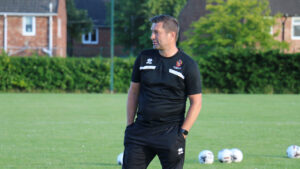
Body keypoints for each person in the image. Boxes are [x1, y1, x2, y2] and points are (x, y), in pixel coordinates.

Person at [123, 14, 202, 169]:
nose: (151, 36)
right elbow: (133, 92)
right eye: (152, 31)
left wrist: (183, 133)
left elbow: (196, 102)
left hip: (171, 134)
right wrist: (130, 125)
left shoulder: (188, 65)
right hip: (140, 132)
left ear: (171, 35)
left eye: (156, 32)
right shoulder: (144, 57)